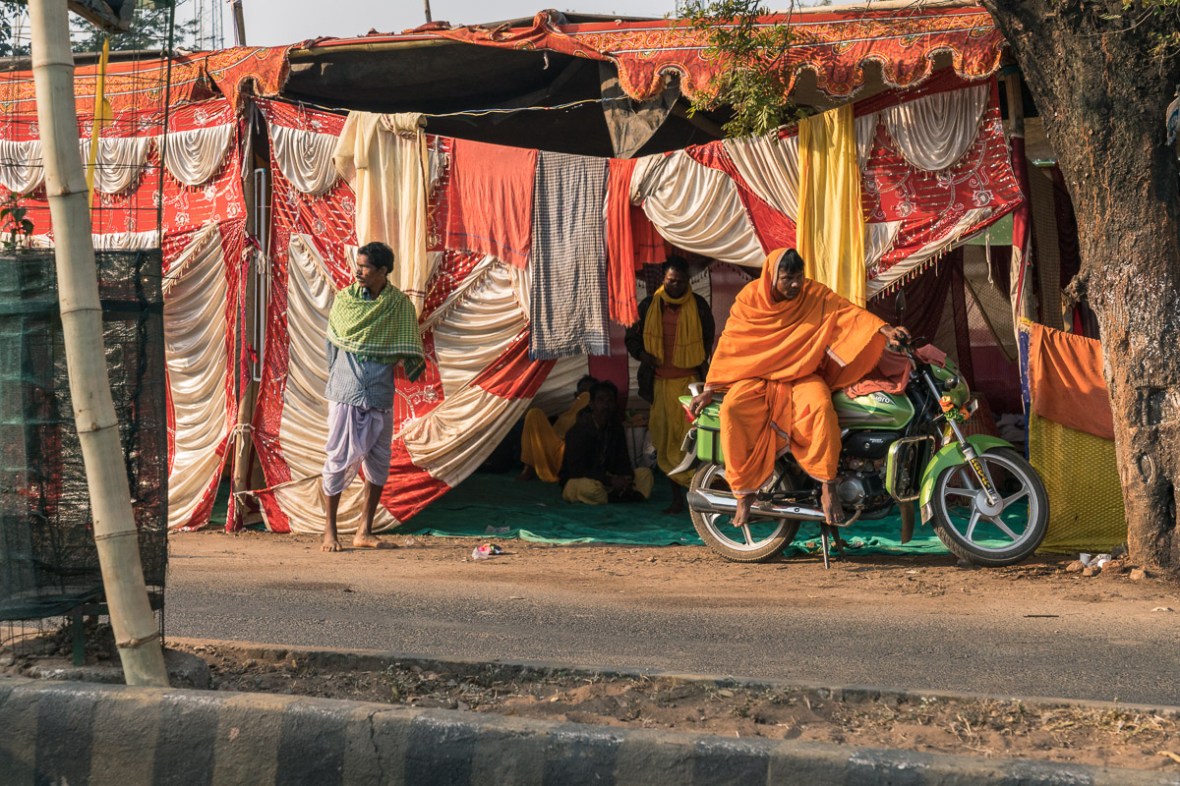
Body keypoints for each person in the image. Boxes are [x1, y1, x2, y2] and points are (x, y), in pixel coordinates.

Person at [689, 248, 908, 528]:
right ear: (771, 277)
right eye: (787, 278)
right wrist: (712, 387)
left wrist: (885, 330)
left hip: (801, 375)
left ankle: (829, 487)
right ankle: (743, 494)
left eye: (799, 278)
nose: (795, 285)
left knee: (820, 406)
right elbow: (731, 344)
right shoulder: (749, 300)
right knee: (733, 409)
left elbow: (847, 312)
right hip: (756, 378)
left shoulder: (813, 294)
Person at [321, 241, 425, 552]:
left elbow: (408, 347)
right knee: (338, 460)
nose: (359, 271)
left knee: (379, 463)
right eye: (359, 264)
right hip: (346, 392)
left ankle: (363, 531)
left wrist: (390, 353)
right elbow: (332, 346)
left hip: (380, 393)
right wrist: (340, 378)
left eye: (366, 267)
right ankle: (330, 531)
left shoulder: (399, 306)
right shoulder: (345, 301)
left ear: (382, 271)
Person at [624, 256, 715, 513]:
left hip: (690, 386)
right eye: (670, 281)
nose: (675, 286)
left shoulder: (698, 306)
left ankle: (698, 496)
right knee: (665, 442)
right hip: (659, 385)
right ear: (663, 280)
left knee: (688, 442)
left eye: (680, 282)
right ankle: (679, 499)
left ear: (688, 281)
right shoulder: (648, 306)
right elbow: (631, 339)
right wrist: (644, 356)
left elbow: (708, 340)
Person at [560, 380, 654, 505]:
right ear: (592, 404)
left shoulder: (616, 428)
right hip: (581, 481)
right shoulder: (578, 431)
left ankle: (615, 495)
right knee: (591, 488)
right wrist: (610, 480)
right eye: (601, 400)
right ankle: (620, 497)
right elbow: (577, 470)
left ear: (614, 404)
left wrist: (626, 477)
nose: (606, 405)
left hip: (608, 481)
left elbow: (623, 459)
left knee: (645, 474)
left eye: (610, 401)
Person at [518, 374, 598, 482]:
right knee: (534, 413)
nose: (586, 394)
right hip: (551, 454)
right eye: (583, 391)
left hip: (569, 456)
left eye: (590, 392)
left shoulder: (595, 417)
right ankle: (529, 467)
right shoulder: (565, 414)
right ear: (575, 395)